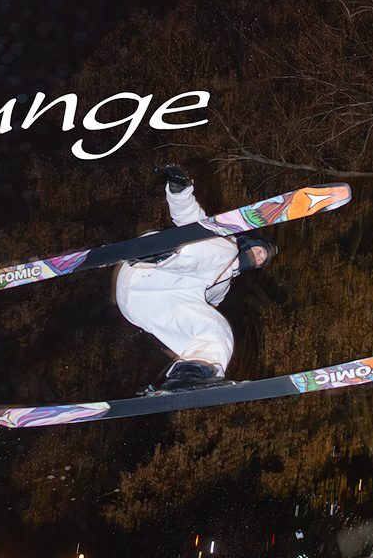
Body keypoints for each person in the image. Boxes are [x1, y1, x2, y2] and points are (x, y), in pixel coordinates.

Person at [115, 165, 273, 394]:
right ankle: (160, 254)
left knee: (217, 328)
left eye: (261, 262)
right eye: (260, 252)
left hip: (145, 308)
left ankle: (192, 374)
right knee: (221, 248)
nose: (258, 259)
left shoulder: (222, 288)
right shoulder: (224, 245)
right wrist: (179, 191)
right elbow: (190, 219)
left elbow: (199, 315)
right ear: (247, 244)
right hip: (147, 274)